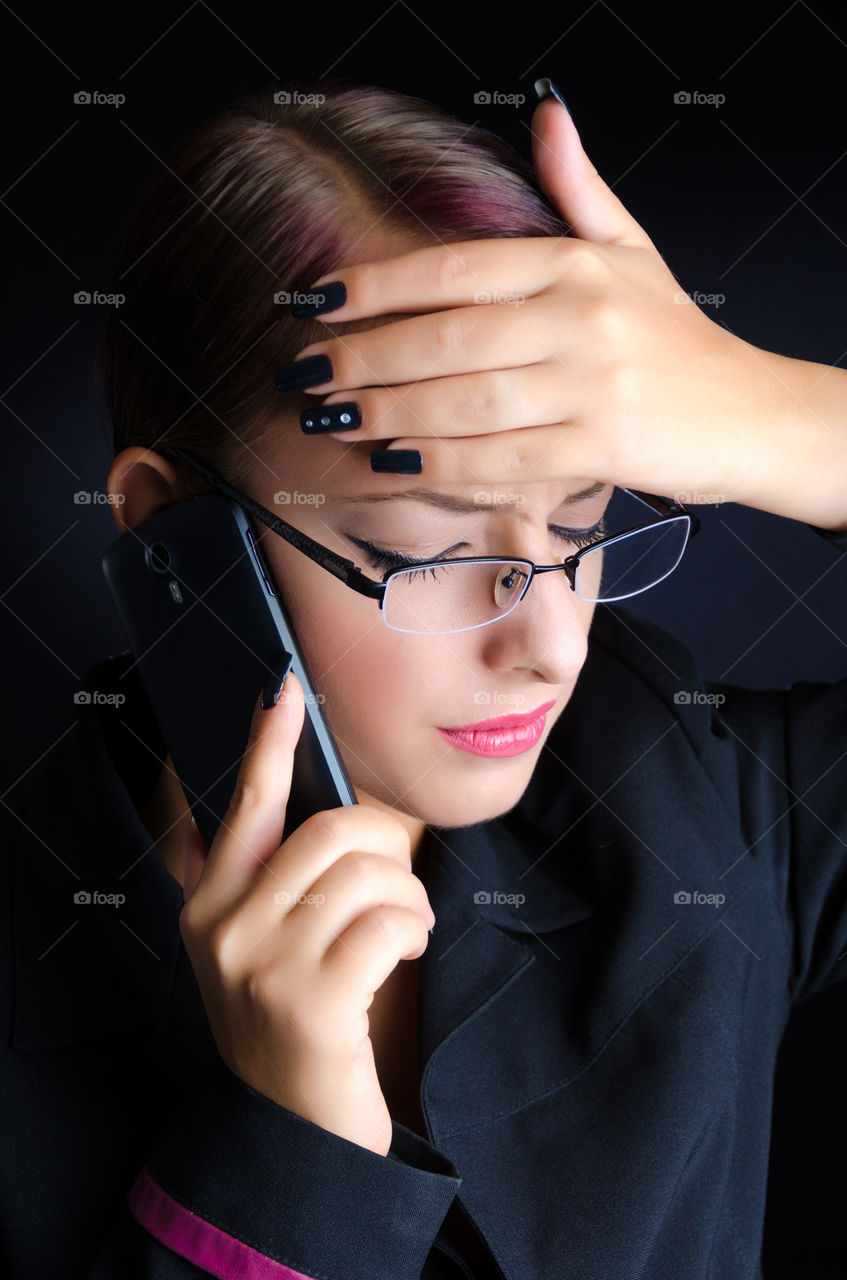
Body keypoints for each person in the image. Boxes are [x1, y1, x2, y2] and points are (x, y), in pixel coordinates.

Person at [2, 75, 846, 1280]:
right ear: (166, 531)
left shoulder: (691, 806)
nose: (549, 642)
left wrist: (794, 422)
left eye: (581, 520)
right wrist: (287, 1160)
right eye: (427, 553)